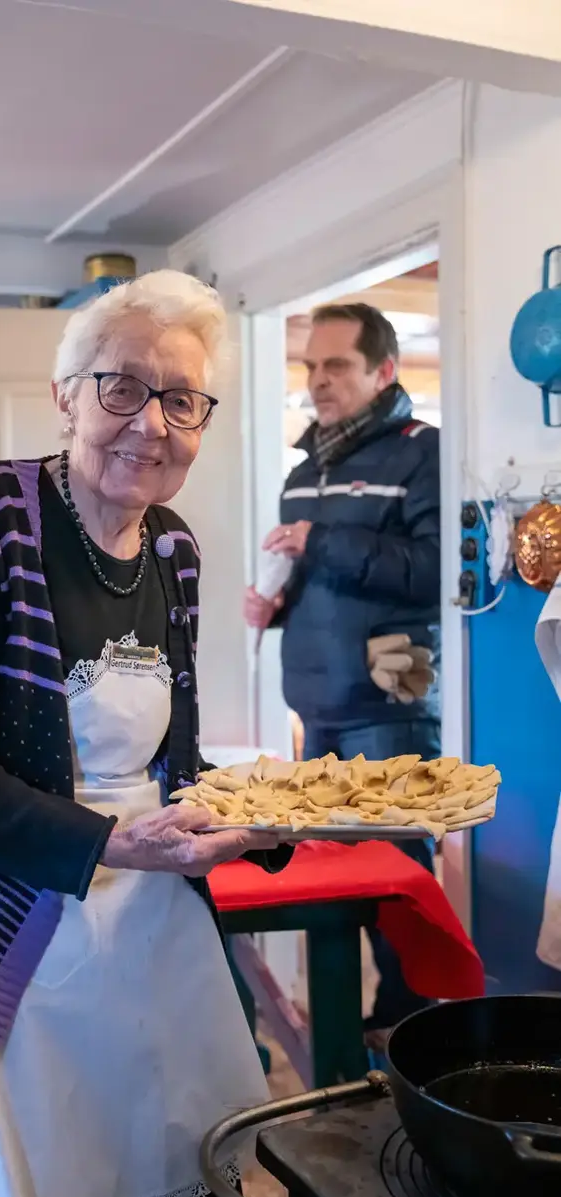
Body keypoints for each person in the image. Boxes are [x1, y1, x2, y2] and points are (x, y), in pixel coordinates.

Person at [0, 270, 279, 1197]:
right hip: (15, 943)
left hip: (154, 939)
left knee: (177, 1193)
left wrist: (258, 813)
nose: (151, 422)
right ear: (65, 396)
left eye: (180, 398)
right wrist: (104, 840)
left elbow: (169, 761)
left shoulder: (176, 550)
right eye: (122, 387)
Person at [244, 302, 441, 1052]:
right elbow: (314, 583)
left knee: (397, 881)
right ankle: (368, 1025)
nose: (318, 382)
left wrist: (321, 542)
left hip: (389, 705)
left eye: (337, 366)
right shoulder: (304, 468)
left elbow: (427, 575)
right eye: (310, 367)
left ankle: (419, 1030)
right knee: (336, 879)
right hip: (317, 704)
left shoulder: (422, 454)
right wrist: (275, 603)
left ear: (383, 371)